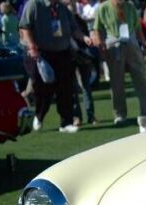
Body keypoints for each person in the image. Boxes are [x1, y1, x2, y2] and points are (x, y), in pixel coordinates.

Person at [20, 0, 92, 133]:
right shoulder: (34, 5)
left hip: (62, 52)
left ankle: (66, 123)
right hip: (41, 53)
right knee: (43, 90)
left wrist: (84, 38)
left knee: (66, 89)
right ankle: (39, 116)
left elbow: (74, 29)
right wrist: (32, 47)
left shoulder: (62, 8)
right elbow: (25, 27)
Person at [92, 0, 146, 126]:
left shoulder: (130, 6)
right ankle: (119, 114)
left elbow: (137, 27)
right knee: (116, 82)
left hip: (131, 43)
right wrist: (100, 45)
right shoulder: (103, 8)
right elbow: (97, 28)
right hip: (114, 45)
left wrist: (144, 45)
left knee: (141, 79)